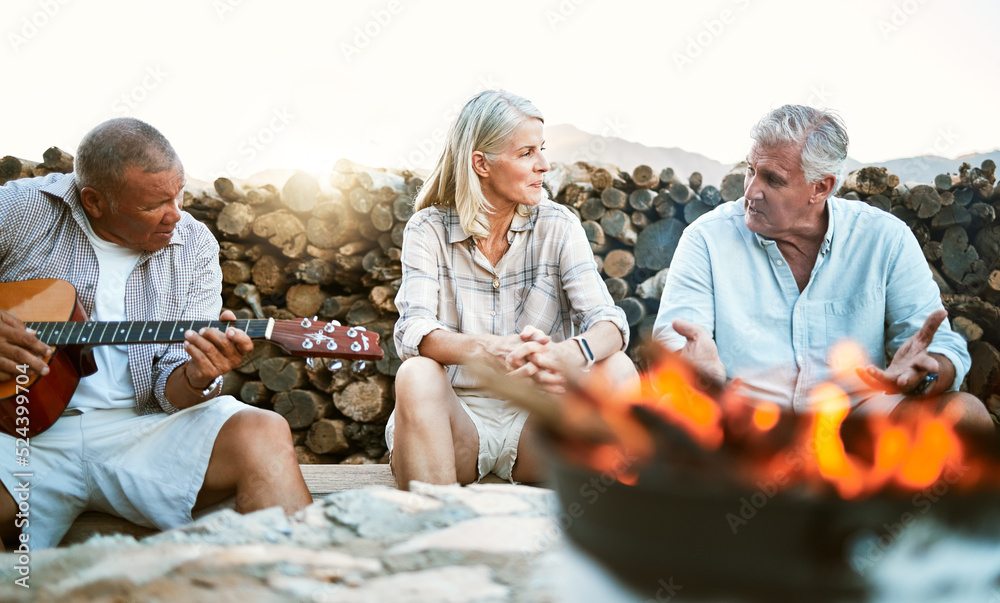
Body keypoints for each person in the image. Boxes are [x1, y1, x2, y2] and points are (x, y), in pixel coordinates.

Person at [0, 118, 311, 550]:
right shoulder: (19, 210)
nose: (175, 215)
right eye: (154, 205)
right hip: (15, 434)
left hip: (142, 433)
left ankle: (306, 582)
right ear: (94, 201)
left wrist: (200, 375)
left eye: (178, 194)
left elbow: (175, 393)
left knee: (262, 430)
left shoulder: (194, 244)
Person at [652, 104, 991, 429]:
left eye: (772, 179)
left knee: (966, 414)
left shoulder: (884, 239)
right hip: (744, 425)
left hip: (862, 425)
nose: (751, 191)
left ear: (821, 187)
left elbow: (940, 351)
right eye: (750, 170)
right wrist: (698, 377)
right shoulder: (706, 239)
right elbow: (674, 343)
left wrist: (926, 375)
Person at [388, 90, 638, 490]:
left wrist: (568, 354)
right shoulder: (428, 229)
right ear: (481, 164)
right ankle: (437, 531)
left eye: (542, 149)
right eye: (526, 153)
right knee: (416, 373)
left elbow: (609, 323)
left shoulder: (559, 225)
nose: (544, 164)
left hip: (538, 422)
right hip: (456, 421)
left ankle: (597, 536)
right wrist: (488, 349)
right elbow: (413, 331)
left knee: (619, 370)